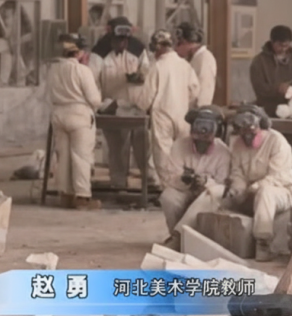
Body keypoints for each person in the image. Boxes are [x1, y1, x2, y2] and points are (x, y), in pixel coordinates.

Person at [226, 105, 292, 261]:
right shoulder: (238, 144)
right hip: (249, 193)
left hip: (281, 191)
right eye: (242, 129)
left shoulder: (277, 141)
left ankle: (263, 243)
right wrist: (237, 189)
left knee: (266, 192)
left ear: (261, 124)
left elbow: (277, 176)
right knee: (218, 195)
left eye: (250, 129)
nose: (247, 134)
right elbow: (237, 173)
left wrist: (254, 188)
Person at [158, 106, 231, 250]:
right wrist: (185, 180)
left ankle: (181, 236)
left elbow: (223, 183)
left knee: (214, 194)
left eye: (208, 129)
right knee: (168, 197)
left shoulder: (223, 152)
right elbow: (170, 176)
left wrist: (206, 182)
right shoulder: (179, 145)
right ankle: (175, 236)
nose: (202, 135)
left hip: (207, 195)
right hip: (185, 189)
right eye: (199, 127)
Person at [131, 29, 200, 181]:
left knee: (163, 157)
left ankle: (169, 187)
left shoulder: (157, 67)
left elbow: (145, 100)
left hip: (163, 116)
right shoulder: (185, 65)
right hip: (183, 116)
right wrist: (183, 101)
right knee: (182, 155)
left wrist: (136, 101)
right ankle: (182, 186)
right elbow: (195, 91)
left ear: (157, 47)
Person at [46, 33, 103, 210]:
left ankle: (66, 195)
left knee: (63, 157)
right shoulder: (82, 71)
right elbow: (94, 99)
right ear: (78, 52)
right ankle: (82, 196)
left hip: (58, 114)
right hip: (79, 115)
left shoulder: (53, 69)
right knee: (81, 157)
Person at [249, 25, 292, 182]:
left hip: (291, 112)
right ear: (272, 42)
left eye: (286, 45)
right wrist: (277, 89)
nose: (283, 49)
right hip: (268, 112)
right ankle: (269, 180)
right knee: (270, 148)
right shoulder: (259, 62)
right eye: (280, 45)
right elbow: (259, 88)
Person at [96, 20, 150, 189]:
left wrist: (140, 77)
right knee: (117, 148)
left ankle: (149, 181)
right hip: (111, 107)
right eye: (118, 40)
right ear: (111, 38)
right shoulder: (99, 53)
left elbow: (148, 73)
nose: (122, 44)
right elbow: (92, 82)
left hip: (135, 106)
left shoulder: (138, 49)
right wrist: (103, 106)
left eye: (125, 40)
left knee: (143, 146)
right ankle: (118, 183)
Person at [176, 21, 217, 107]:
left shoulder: (204, 59)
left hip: (197, 111)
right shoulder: (194, 59)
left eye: (178, 44)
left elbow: (203, 92)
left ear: (186, 43)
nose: (176, 49)